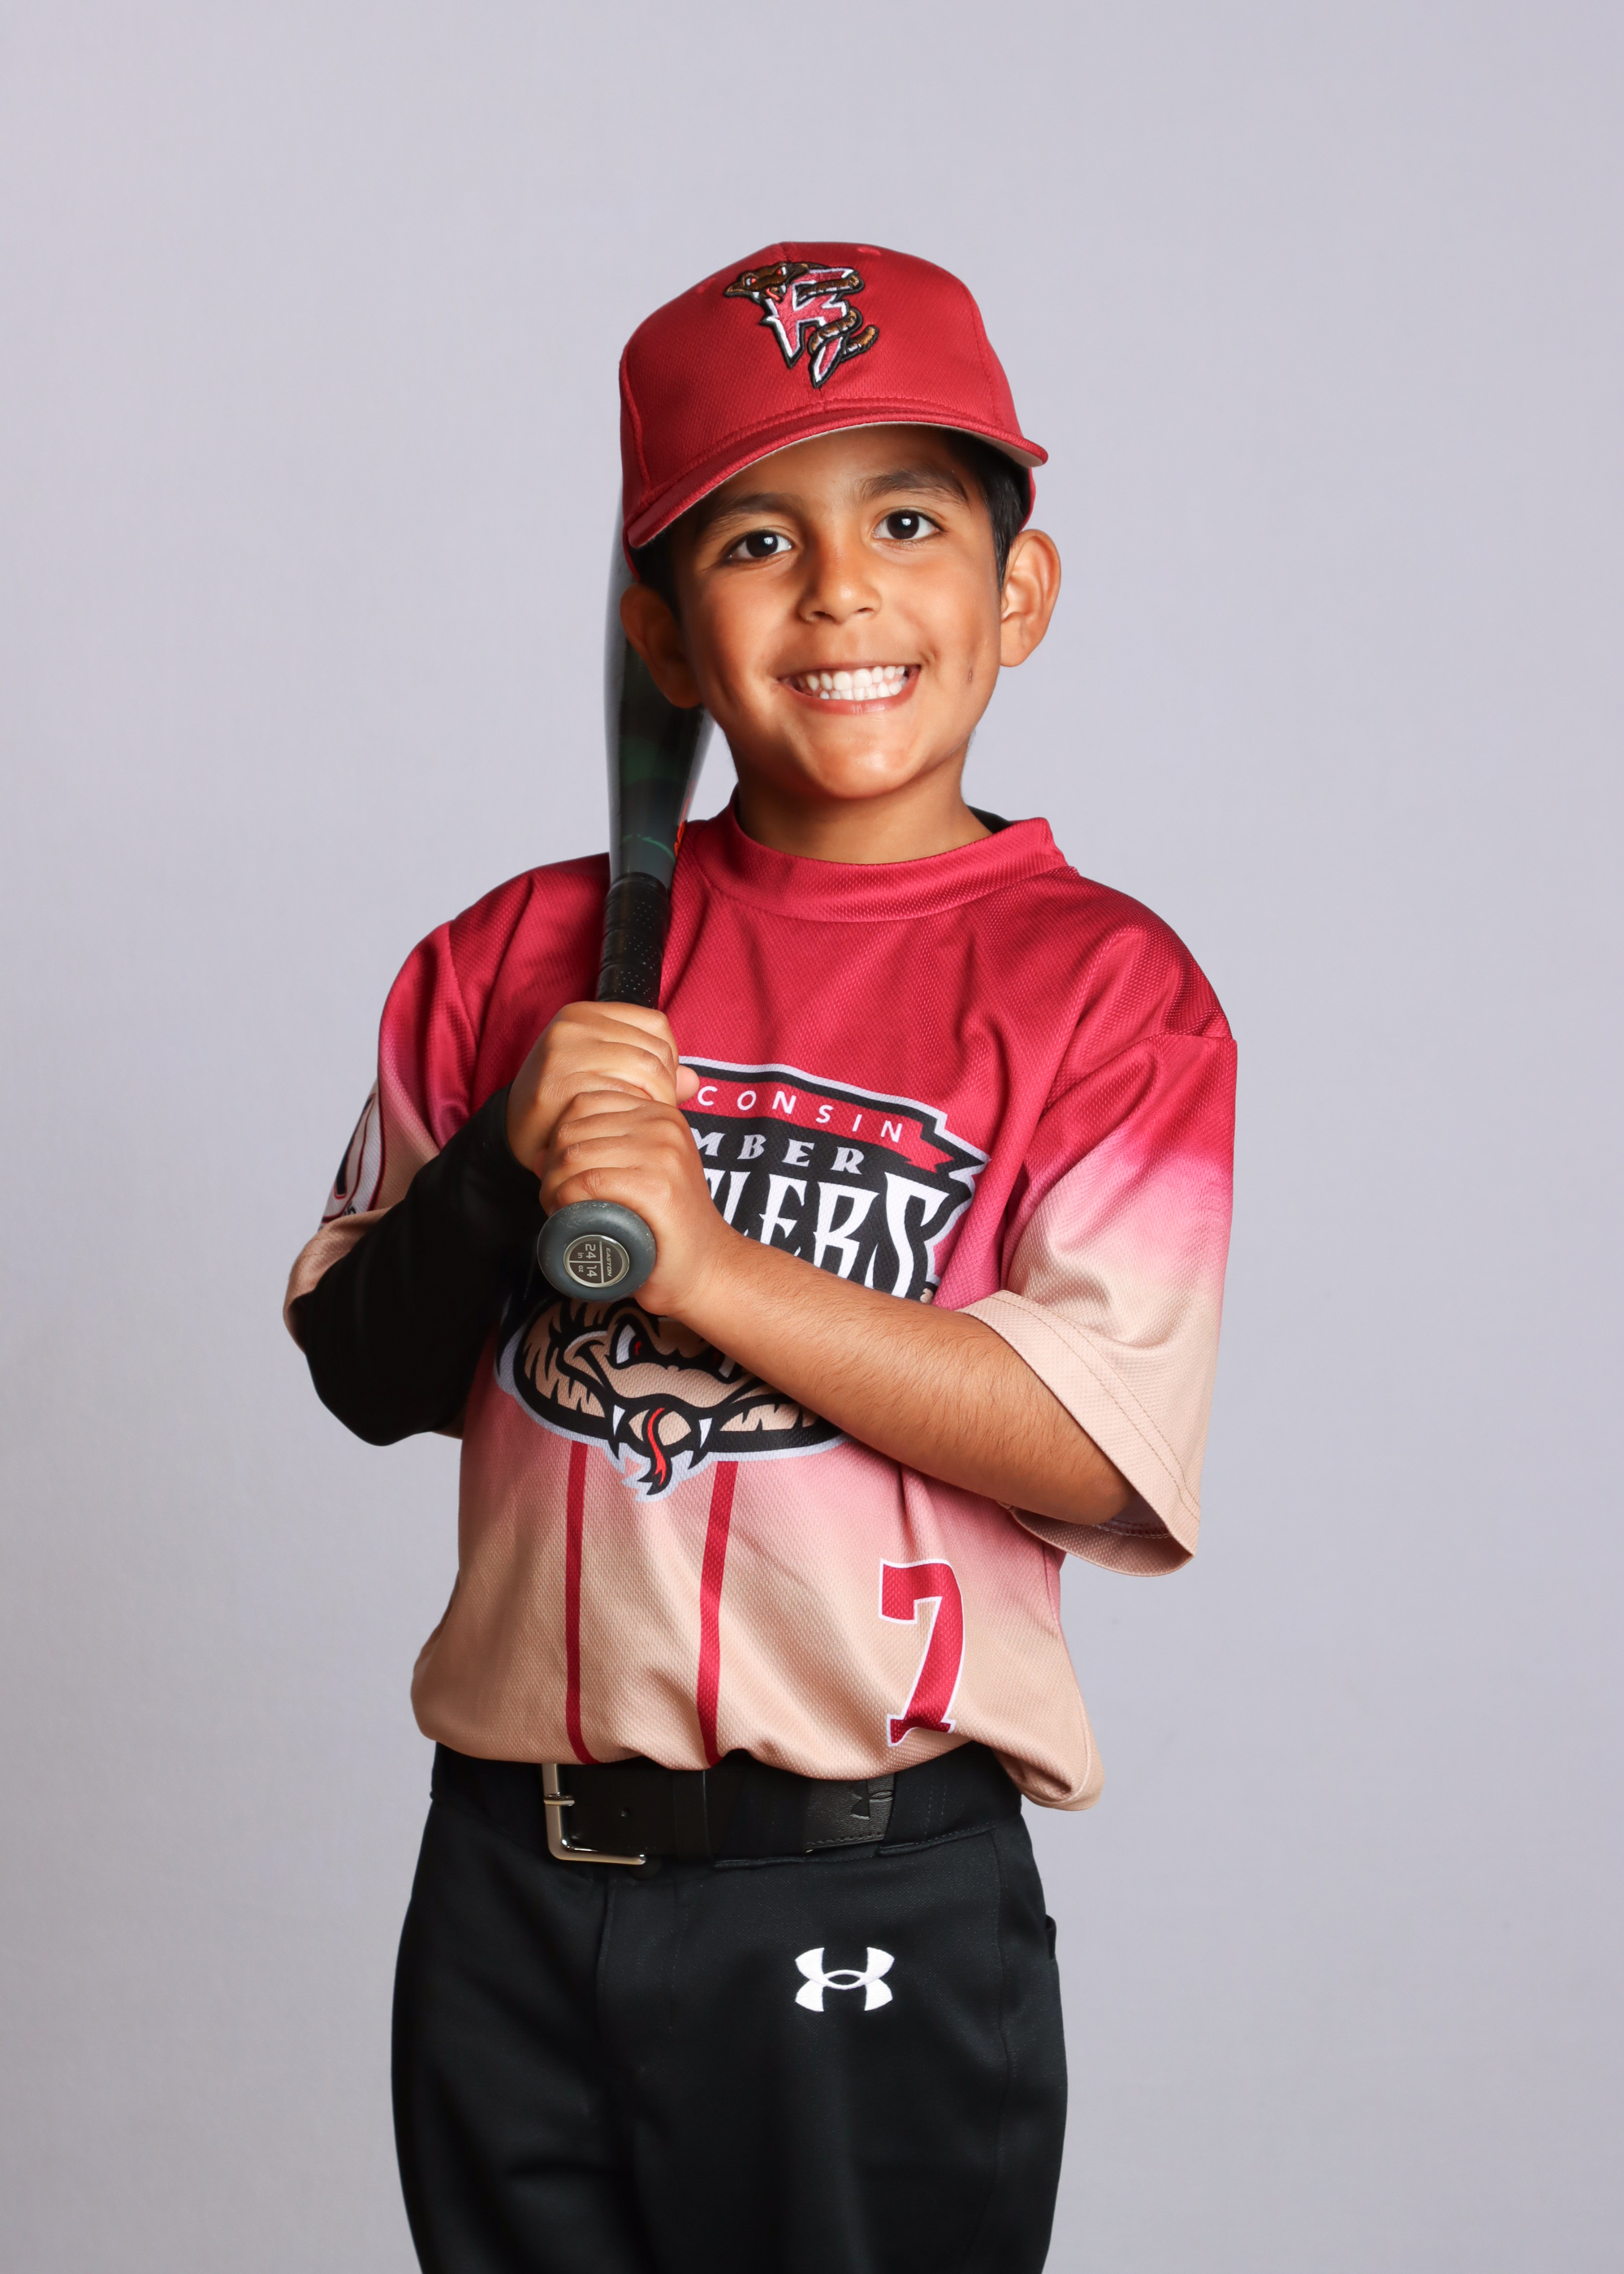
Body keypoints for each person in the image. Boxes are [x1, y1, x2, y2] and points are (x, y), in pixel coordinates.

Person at [286, 241, 1235, 2274]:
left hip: (859, 1876)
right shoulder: (515, 956)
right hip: (507, 1868)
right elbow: (365, 1371)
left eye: (907, 521)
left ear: (1020, 592)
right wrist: (498, 1163)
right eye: (752, 539)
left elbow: (1090, 1444)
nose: (837, 592)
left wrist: (701, 1263)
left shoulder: (1107, 991)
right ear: (660, 636)